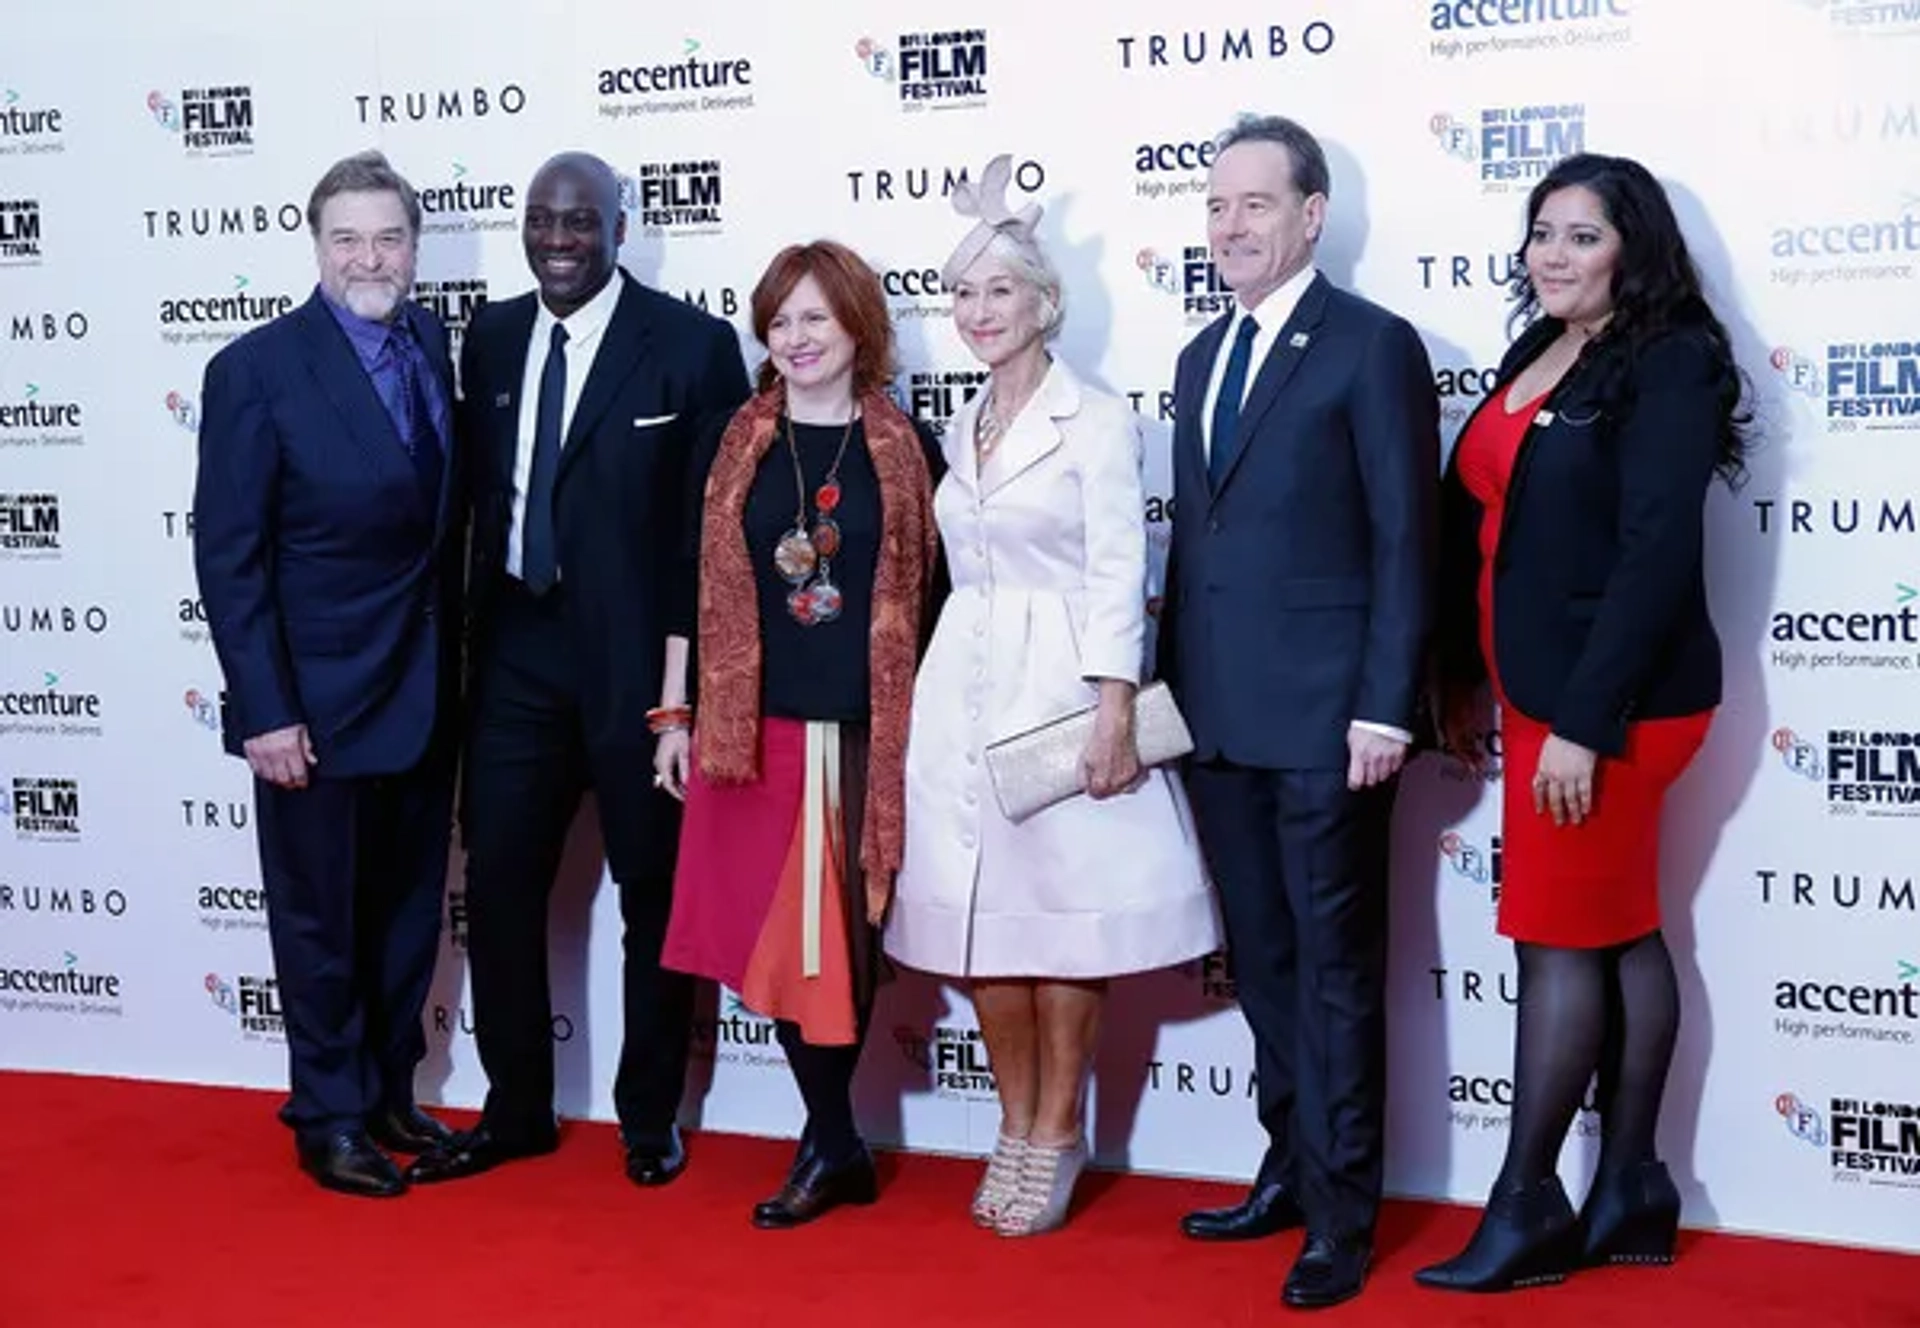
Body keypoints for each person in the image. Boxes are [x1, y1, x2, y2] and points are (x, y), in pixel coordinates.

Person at [1415, 153, 1747, 1293]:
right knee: (1617, 926)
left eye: (1581, 236)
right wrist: (1466, 679)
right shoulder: (1542, 347)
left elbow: (1655, 555)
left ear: (1634, 249)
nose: (1551, 255)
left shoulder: (1672, 363)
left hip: (1617, 709)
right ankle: (1632, 1185)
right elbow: (1491, 523)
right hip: (1540, 695)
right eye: (1540, 232)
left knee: (1559, 936)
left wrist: (1584, 723)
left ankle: (1528, 1203)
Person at [884, 156, 1220, 1237]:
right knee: (986, 924)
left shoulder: (1097, 417)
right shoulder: (961, 418)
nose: (981, 313)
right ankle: (1012, 1123)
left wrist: (1115, 702)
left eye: (1001, 292)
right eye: (965, 294)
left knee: (1062, 920)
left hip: (1065, 678)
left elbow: (1120, 565)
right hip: (964, 678)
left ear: (1045, 302)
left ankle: (1057, 1131)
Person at [406, 153, 750, 1187]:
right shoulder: (495, 333)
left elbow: (712, 538)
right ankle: (516, 1108)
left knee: (654, 889)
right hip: (515, 650)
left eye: (581, 222)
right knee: (501, 884)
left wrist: (684, 692)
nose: (559, 239)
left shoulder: (691, 347)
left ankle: (649, 1113)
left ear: (620, 226)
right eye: (543, 220)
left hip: (644, 669)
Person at [1158, 115, 1438, 1310]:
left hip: (1332, 723)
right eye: (1217, 207)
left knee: (1331, 974)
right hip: (1218, 720)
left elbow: (1404, 540)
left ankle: (1340, 1215)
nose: (1230, 227)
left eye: (1255, 205)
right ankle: (1287, 1164)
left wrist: (1385, 704)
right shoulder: (1194, 357)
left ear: (1312, 214)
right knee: (1265, 966)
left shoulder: (1371, 347)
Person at [192, 149, 463, 1197]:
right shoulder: (254, 369)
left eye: (388, 236)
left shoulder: (428, 342)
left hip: (423, 685)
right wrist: (266, 708)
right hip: (310, 703)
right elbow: (229, 555)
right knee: (318, 920)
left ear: (413, 246)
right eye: (346, 236)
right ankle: (329, 1113)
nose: (369, 255)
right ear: (315, 245)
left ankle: (389, 1090)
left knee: (404, 910)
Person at [659, 240, 942, 1228]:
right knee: (780, 955)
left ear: (860, 324)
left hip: (864, 733)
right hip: (753, 732)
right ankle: (833, 1142)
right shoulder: (734, 441)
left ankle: (832, 1143)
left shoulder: (906, 448)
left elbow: (942, 599)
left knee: (839, 955)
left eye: (817, 317)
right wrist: (675, 710)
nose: (798, 337)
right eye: (781, 321)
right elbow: (687, 590)